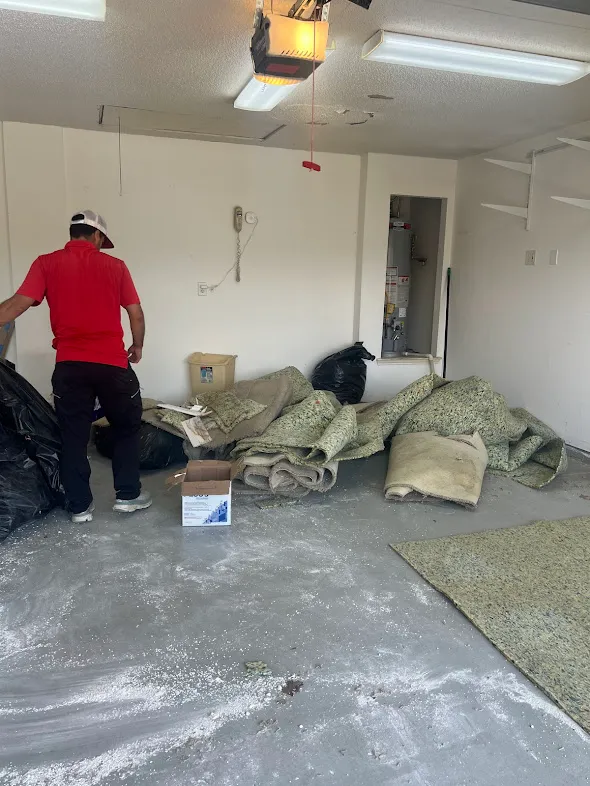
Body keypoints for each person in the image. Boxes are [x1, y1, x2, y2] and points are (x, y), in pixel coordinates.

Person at [0, 210, 152, 523]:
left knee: (73, 435)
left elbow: (17, 304)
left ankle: (79, 506)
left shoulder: (46, 263)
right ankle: (127, 495)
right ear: (96, 236)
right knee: (126, 427)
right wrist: (136, 346)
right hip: (111, 363)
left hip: (70, 365)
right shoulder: (115, 266)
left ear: (73, 234)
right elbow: (135, 313)